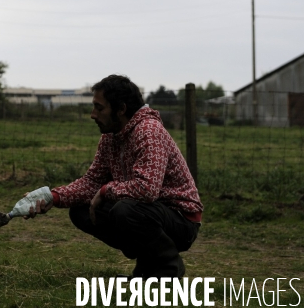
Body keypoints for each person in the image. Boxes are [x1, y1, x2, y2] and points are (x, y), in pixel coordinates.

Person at [26, 74, 203, 279]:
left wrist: (105, 191)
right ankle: (146, 266)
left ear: (121, 109)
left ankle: (169, 267)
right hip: (149, 212)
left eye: (99, 108)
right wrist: (53, 197)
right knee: (81, 210)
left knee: (126, 209)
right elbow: (92, 181)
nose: (93, 114)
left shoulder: (149, 131)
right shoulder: (111, 136)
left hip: (180, 220)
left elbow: (146, 189)